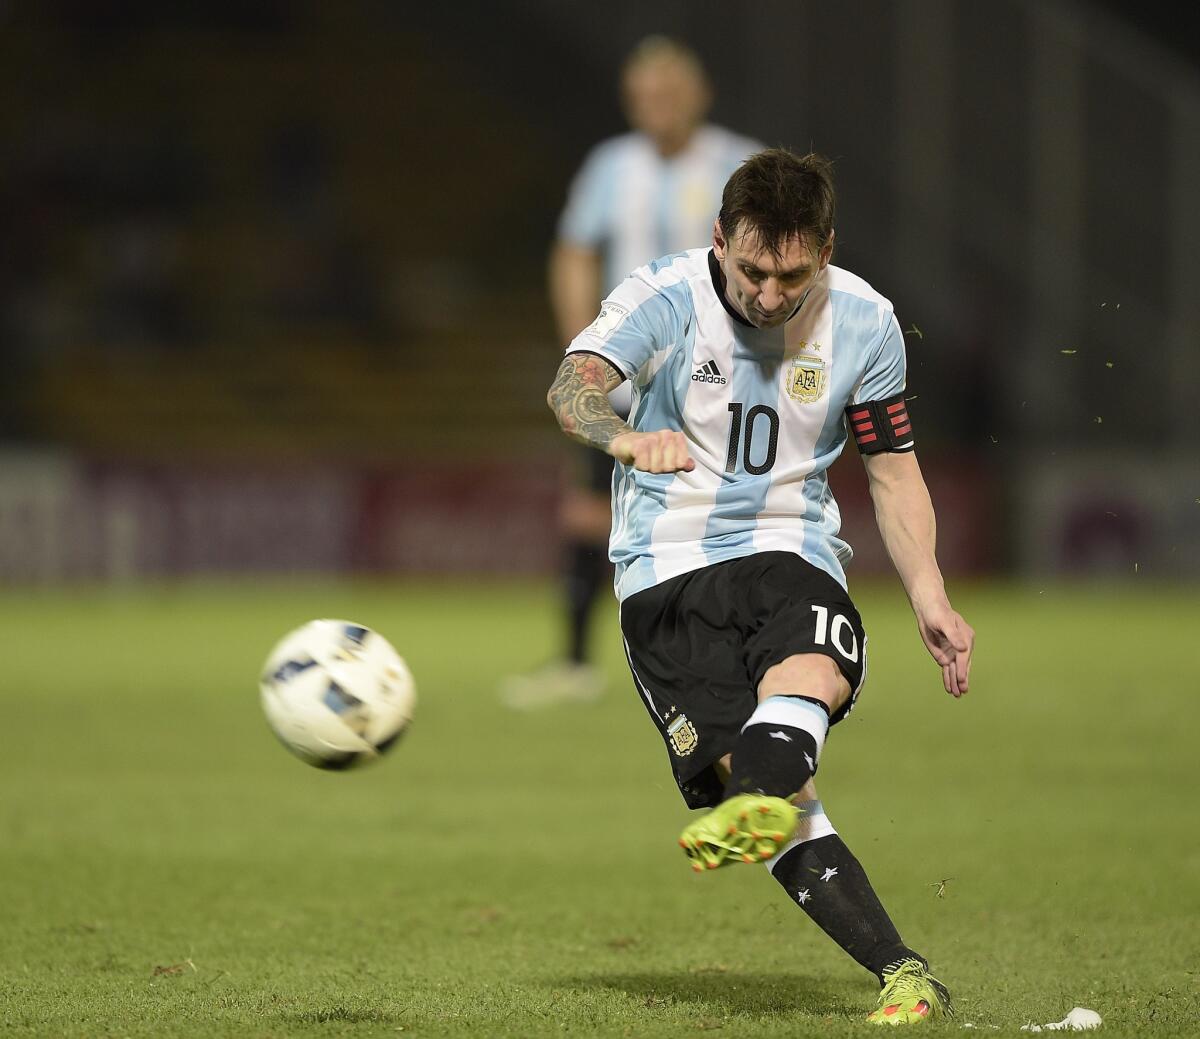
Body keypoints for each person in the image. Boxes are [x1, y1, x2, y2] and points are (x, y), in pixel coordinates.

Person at [545, 148, 975, 1025]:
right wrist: (620, 437)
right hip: (663, 574)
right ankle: (900, 963)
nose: (770, 295)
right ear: (718, 240)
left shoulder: (866, 320)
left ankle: (761, 798)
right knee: (779, 790)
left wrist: (929, 590)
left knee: (812, 661)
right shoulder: (661, 297)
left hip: (789, 549)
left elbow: (892, 472)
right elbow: (572, 384)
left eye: (792, 274)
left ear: (826, 247)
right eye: (751, 271)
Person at [499, 36, 762, 709]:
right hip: (631, 371)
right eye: (645, 93)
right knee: (590, 510)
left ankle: (751, 653)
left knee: (732, 508)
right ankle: (577, 662)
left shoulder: (739, 161)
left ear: (698, 94)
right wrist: (583, 342)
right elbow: (574, 251)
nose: (658, 104)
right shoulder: (612, 166)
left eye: (669, 91)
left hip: (720, 368)